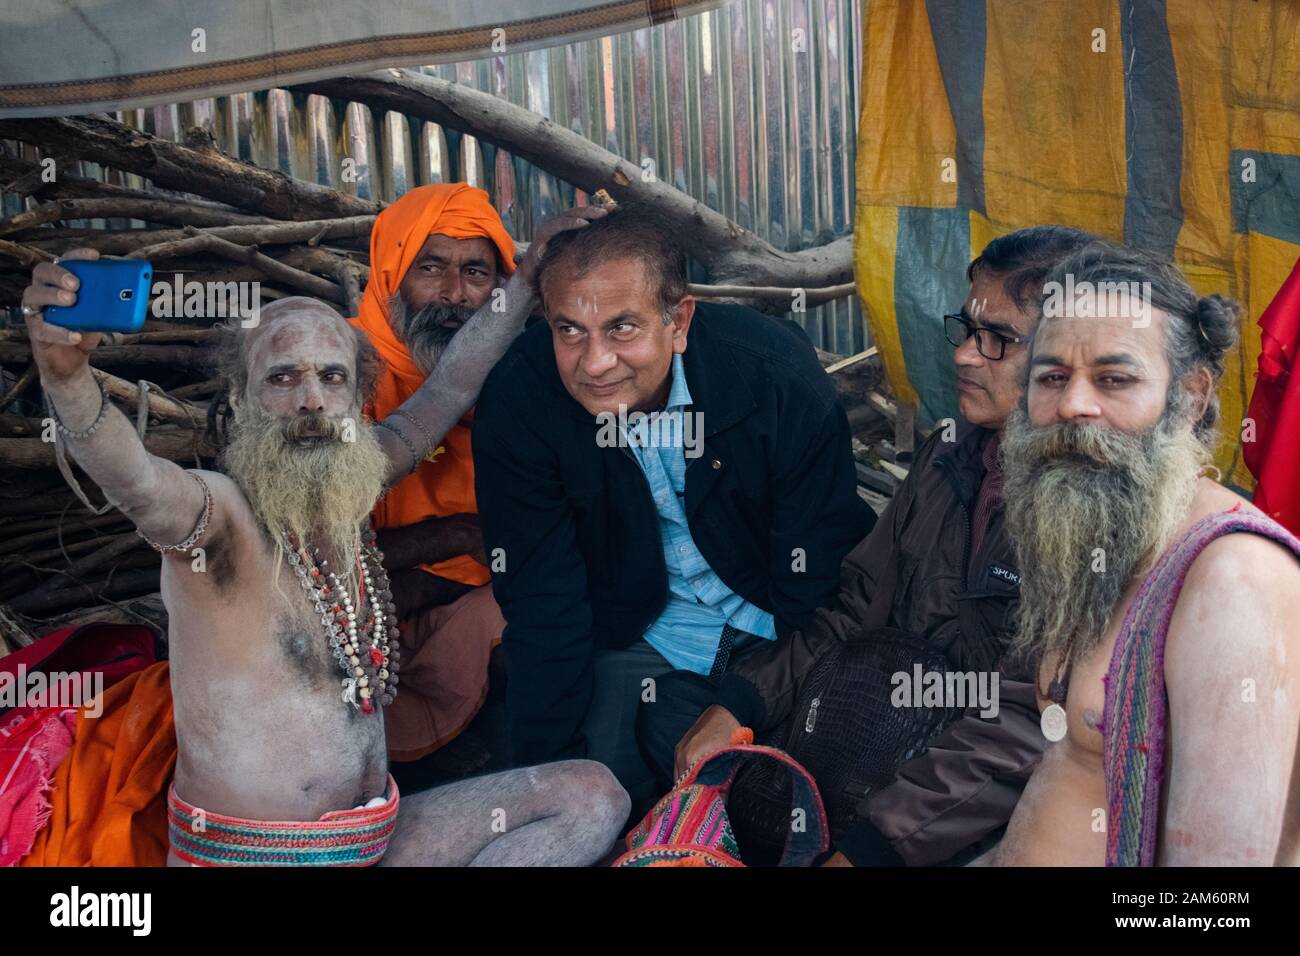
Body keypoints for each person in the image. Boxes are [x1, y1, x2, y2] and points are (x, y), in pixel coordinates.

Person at [19, 215, 630, 866]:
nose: (311, 399)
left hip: (371, 845)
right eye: (282, 378)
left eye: (331, 377)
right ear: (243, 397)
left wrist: (532, 270)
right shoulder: (219, 522)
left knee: (592, 797)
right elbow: (137, 481)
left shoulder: (359, 475)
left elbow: (453, 381)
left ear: (355, 396)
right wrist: (65, 380)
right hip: (250, 863)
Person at [655, 226, 1095, 866]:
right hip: (888, 732)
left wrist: (877, 847)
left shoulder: (1093, 507)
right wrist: (739, 704)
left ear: (1069, 356)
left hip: (996, 794)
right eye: (965, 330)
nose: (965, 356)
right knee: (677, 719)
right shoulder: (949, 456)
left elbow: (1027, 722)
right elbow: (853, 609)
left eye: (996, 339)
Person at [472, 203, 873, 808]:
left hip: (781, 623)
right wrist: (541, 789)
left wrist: (753, 698)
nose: (595, 362)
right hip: (645, 628)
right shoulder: (521, 402)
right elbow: (541, 601)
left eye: (622, 328)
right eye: (569, 330)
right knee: (596, 798)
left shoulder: (774, 380)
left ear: (679, 321)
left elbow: (820, 581)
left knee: (799, 798)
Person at [986, 241, 1300, 865]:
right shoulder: (1105, 534)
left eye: (1114, 379)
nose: (1073, 405)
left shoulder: (1233, 580)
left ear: (1190, 398)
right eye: (1052, 378)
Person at [349, 183, 533, 762]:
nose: (454, 295)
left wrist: (448, 571)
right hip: (354, 623)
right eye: (430, 267)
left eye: (476, 273)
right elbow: (317, 561)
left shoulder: (525, 379)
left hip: (462, 608)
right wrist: (454, 539)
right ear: (389, 274)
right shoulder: (335, 373)